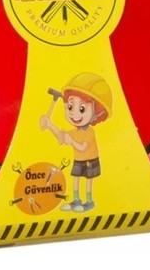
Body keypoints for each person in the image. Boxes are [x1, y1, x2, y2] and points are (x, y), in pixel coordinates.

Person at [40, 73, 112, 212]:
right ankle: (76, 200)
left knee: (88, 181)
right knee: (76, 179)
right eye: (70, 106)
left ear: (98, 112)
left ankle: (89, 202)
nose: (73, 113)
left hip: (90, 161)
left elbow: (82, 147)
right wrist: (50, 125)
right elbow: (61, 137)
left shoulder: (89, 132)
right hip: (78, 160)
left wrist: (71, 141)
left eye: (82, 108)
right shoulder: (74, 131)